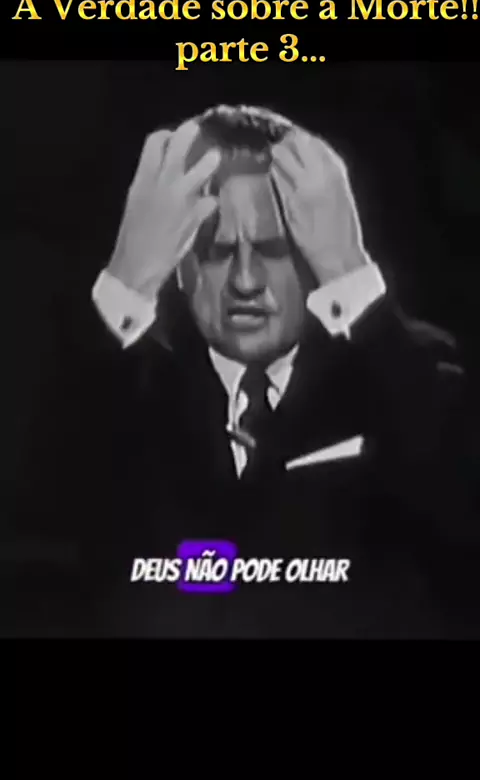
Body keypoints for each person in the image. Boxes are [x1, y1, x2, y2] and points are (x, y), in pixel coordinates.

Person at [7, 104, 479, 638]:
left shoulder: (399, 370)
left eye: (274, 250)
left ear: (314, 255)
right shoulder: (123, 391)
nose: (246, 281)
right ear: (177, 265)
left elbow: (462, 515)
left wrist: (352, 278)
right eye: (216, 252)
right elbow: (35, 531)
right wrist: (127, 279)